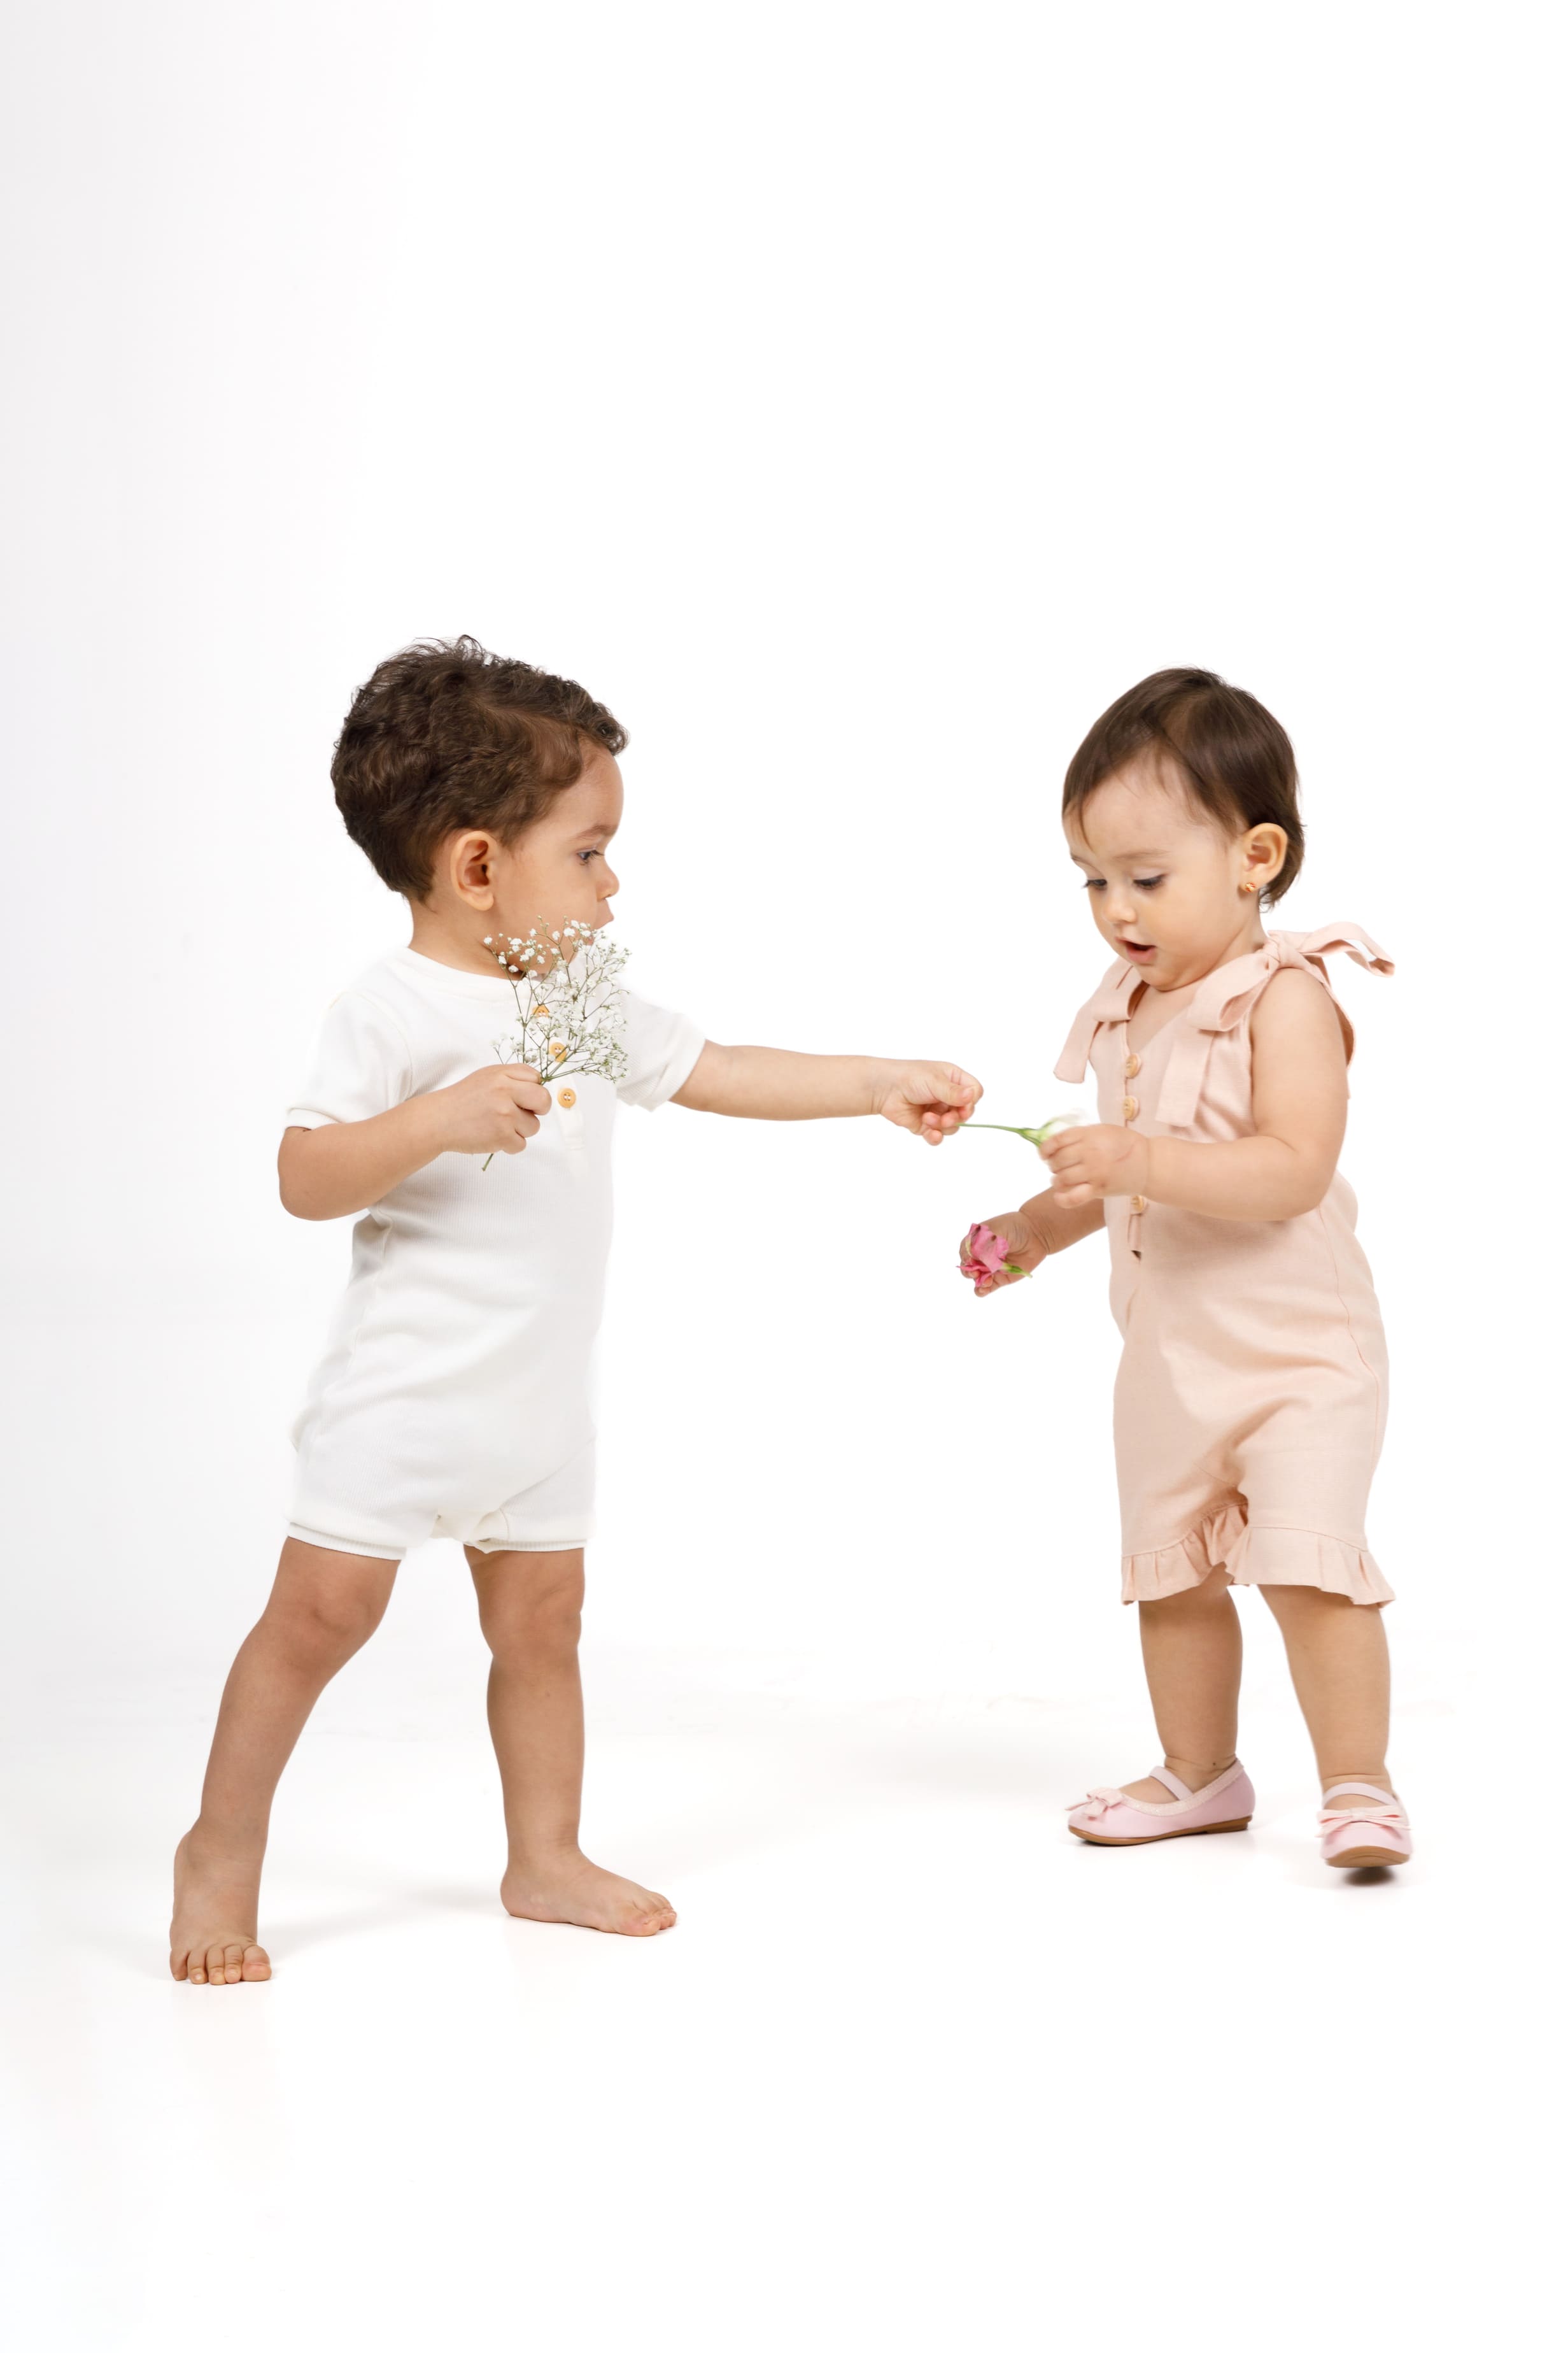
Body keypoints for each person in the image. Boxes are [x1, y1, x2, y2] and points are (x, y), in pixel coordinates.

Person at [171, 637, 980, 1982]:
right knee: (315, 1625)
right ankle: (218, 1849)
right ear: (477, 868)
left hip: (538, 1410)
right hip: (405, 1406)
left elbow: (718, 1069)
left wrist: (873, 1082)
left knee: (544, 1626)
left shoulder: (577, 999)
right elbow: (303, 1176)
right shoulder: (390, 1013)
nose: (613, 884)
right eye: (590, 853)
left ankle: (543, 1856)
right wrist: (430, 1122)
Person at [963, 669, 1410, 1870]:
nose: (1117, 910)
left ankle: (1360, 1787)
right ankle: (1200, 1774)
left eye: (1147, 878)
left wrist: (1142, 1159)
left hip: (1298, 1358)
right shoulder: (1129, 1005)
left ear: (1257, 857)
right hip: (1168, 1358)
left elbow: (1293, 1171)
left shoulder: (1285, 998)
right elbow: (1115, 1174)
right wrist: (1032, 1229)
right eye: (1092, 880)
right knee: (1173, 1576)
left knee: (1309, 1570)